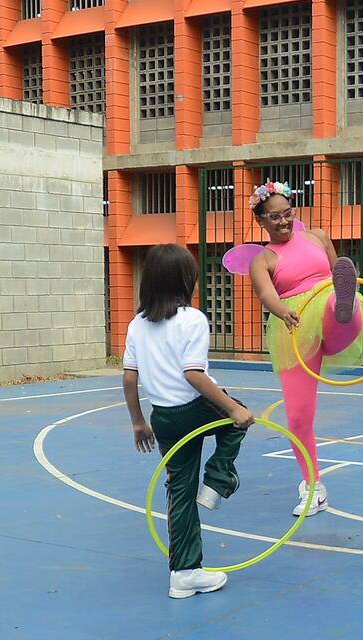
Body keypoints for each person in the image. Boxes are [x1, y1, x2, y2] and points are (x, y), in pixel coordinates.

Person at [121, 243, 255, 599]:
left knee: (179, 494)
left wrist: (138, 422)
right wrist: (233, 409)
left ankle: (184, 573)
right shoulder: (193, 319)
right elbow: (194, 375)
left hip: (163, 417)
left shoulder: (137, 324)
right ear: (186, 281)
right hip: (192, 407)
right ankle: (218, 480)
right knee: (236, 417)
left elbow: (129, 378)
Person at [247, 181, 363, 515]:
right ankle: (314, 486)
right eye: (274, 217)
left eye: (288, 213)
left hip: (328, 308)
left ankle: (346, 310)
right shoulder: (262, 260)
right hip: (294, 329)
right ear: (260, 221)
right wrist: (281, 310)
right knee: (299, 416)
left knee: (337, 298)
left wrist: (343, 291)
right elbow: (266, 295)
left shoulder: (317, 236)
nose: (284, 222)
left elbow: (338, 269)